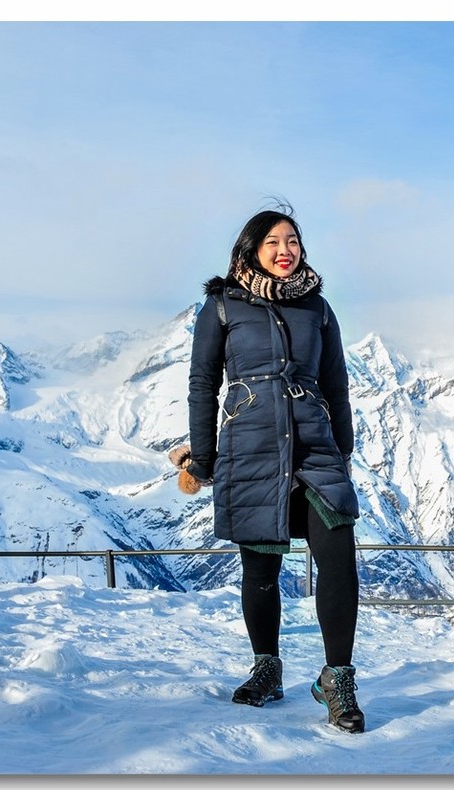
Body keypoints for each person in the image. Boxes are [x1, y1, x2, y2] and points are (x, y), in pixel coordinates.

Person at [184, 204, 365, 733]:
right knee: (260, 570)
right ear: (251, 249)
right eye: (273, 242)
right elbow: (202, 384)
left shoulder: (319, 310)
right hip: (252, 449)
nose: (286, 251)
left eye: (293, 241)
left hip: (315, 448)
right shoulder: (221, 307)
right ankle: (267, 667)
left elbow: (337, 384)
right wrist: (203, 456)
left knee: (339, 559)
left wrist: (343, 449)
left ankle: (338, 680)